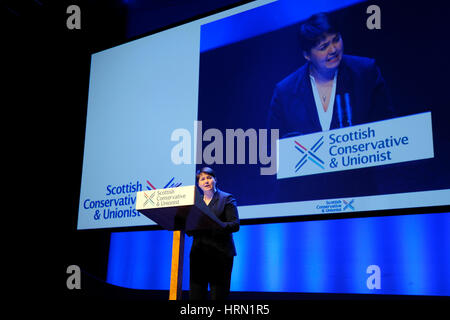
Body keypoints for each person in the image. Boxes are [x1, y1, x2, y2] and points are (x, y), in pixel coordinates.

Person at [268, 12, 395, 139]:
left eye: (336, 40)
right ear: (307, 55)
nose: (333, 50)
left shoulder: (365, 72)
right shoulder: (285, 92)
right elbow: (272, 147)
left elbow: (387, 127)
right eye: (324, 47)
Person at [188, 167, 240, 300]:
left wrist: (214, 225)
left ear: (215, 180)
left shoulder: (226, 198)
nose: (206, 181)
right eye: (202, 179)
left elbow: (234, 225)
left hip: (220, 254)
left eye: (209, 178)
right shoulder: (194, 202)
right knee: (196, 296)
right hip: (199, 255)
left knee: (218, 296)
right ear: (198, 184)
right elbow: (190, 227)